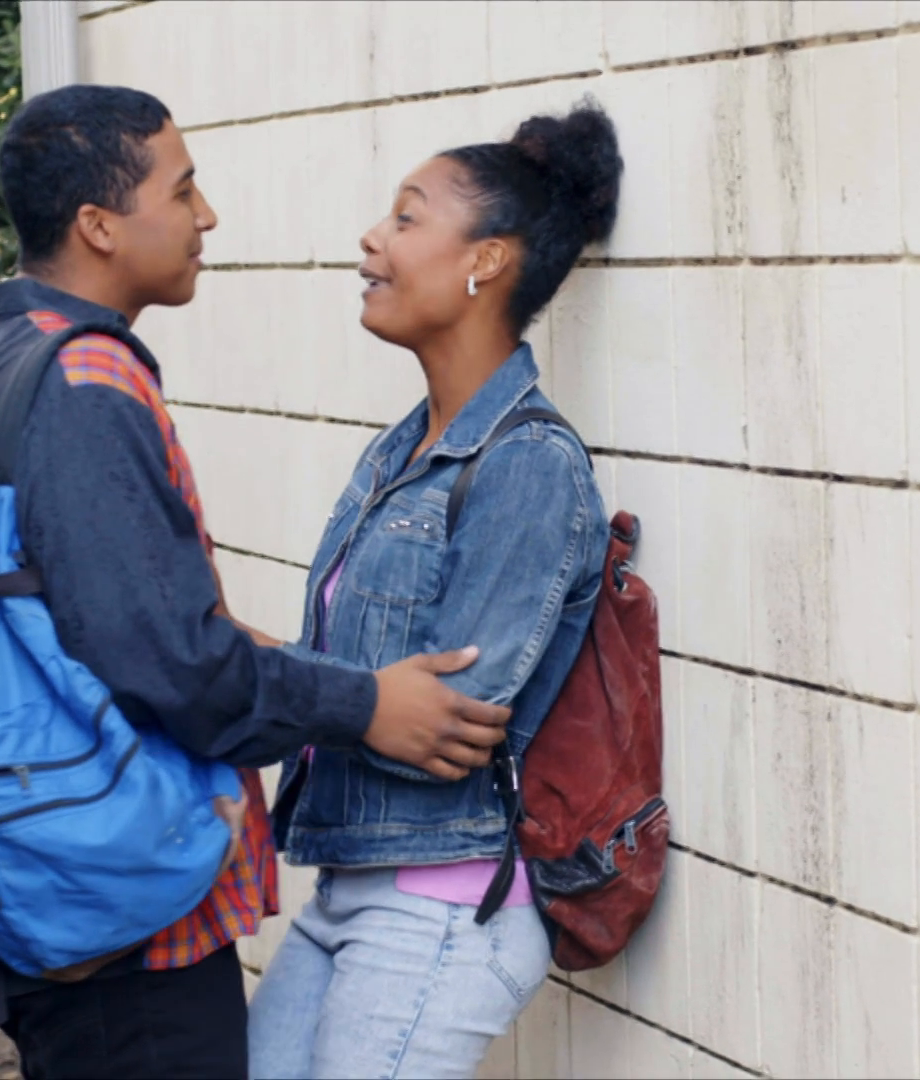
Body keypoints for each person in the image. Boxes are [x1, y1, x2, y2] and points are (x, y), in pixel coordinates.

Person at [0, 84, 514, 1080]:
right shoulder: (84, 383)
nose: (208, 216)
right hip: (124, 936)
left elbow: (98, 626)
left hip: (48, 877)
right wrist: (366, 706)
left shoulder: (2, 360)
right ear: (100, 225)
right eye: (182, 190)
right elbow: (173, 665)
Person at [243, 98, 622, 1080]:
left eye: (407, 217)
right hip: (352, 887)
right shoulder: (402, 452)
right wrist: (244, 665)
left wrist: (269, 678)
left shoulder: (528, 463)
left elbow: (452, 722)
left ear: (484, 260)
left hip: (443, 909)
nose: (372, 238)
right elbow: (370, 691)